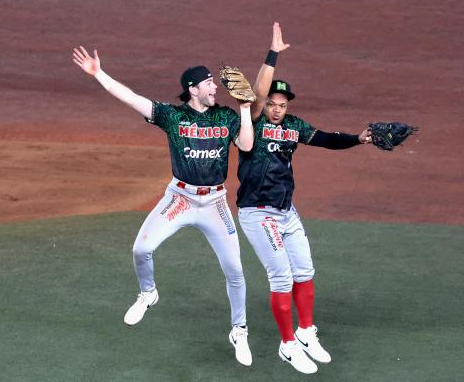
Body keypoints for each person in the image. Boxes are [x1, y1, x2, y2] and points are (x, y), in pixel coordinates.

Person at [72, 46, 255, 366]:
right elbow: (131, 98)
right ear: (193, 89)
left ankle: (239, 329)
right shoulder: (173, 116)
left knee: (236, 270)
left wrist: (244, 107)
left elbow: (247, 145)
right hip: (180, 199)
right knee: (141, 250)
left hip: (215, 202)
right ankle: (148, 294)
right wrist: (98, 73)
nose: (215, 87)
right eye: (209, 83)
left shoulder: (226, 116)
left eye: (215, 83)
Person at [236, 23, 372, 374]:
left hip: (285, 211)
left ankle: (306, 331)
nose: (277, 109)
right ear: (264, 105)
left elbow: (326, 138)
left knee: (305, 271)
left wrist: (358, 138)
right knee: (280, 277)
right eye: (273, 104)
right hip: (257, 212)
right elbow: (258, 92)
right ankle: (287, 346)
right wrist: (273, 53)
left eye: (283, 104)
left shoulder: (294, 126)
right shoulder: (253, 122)